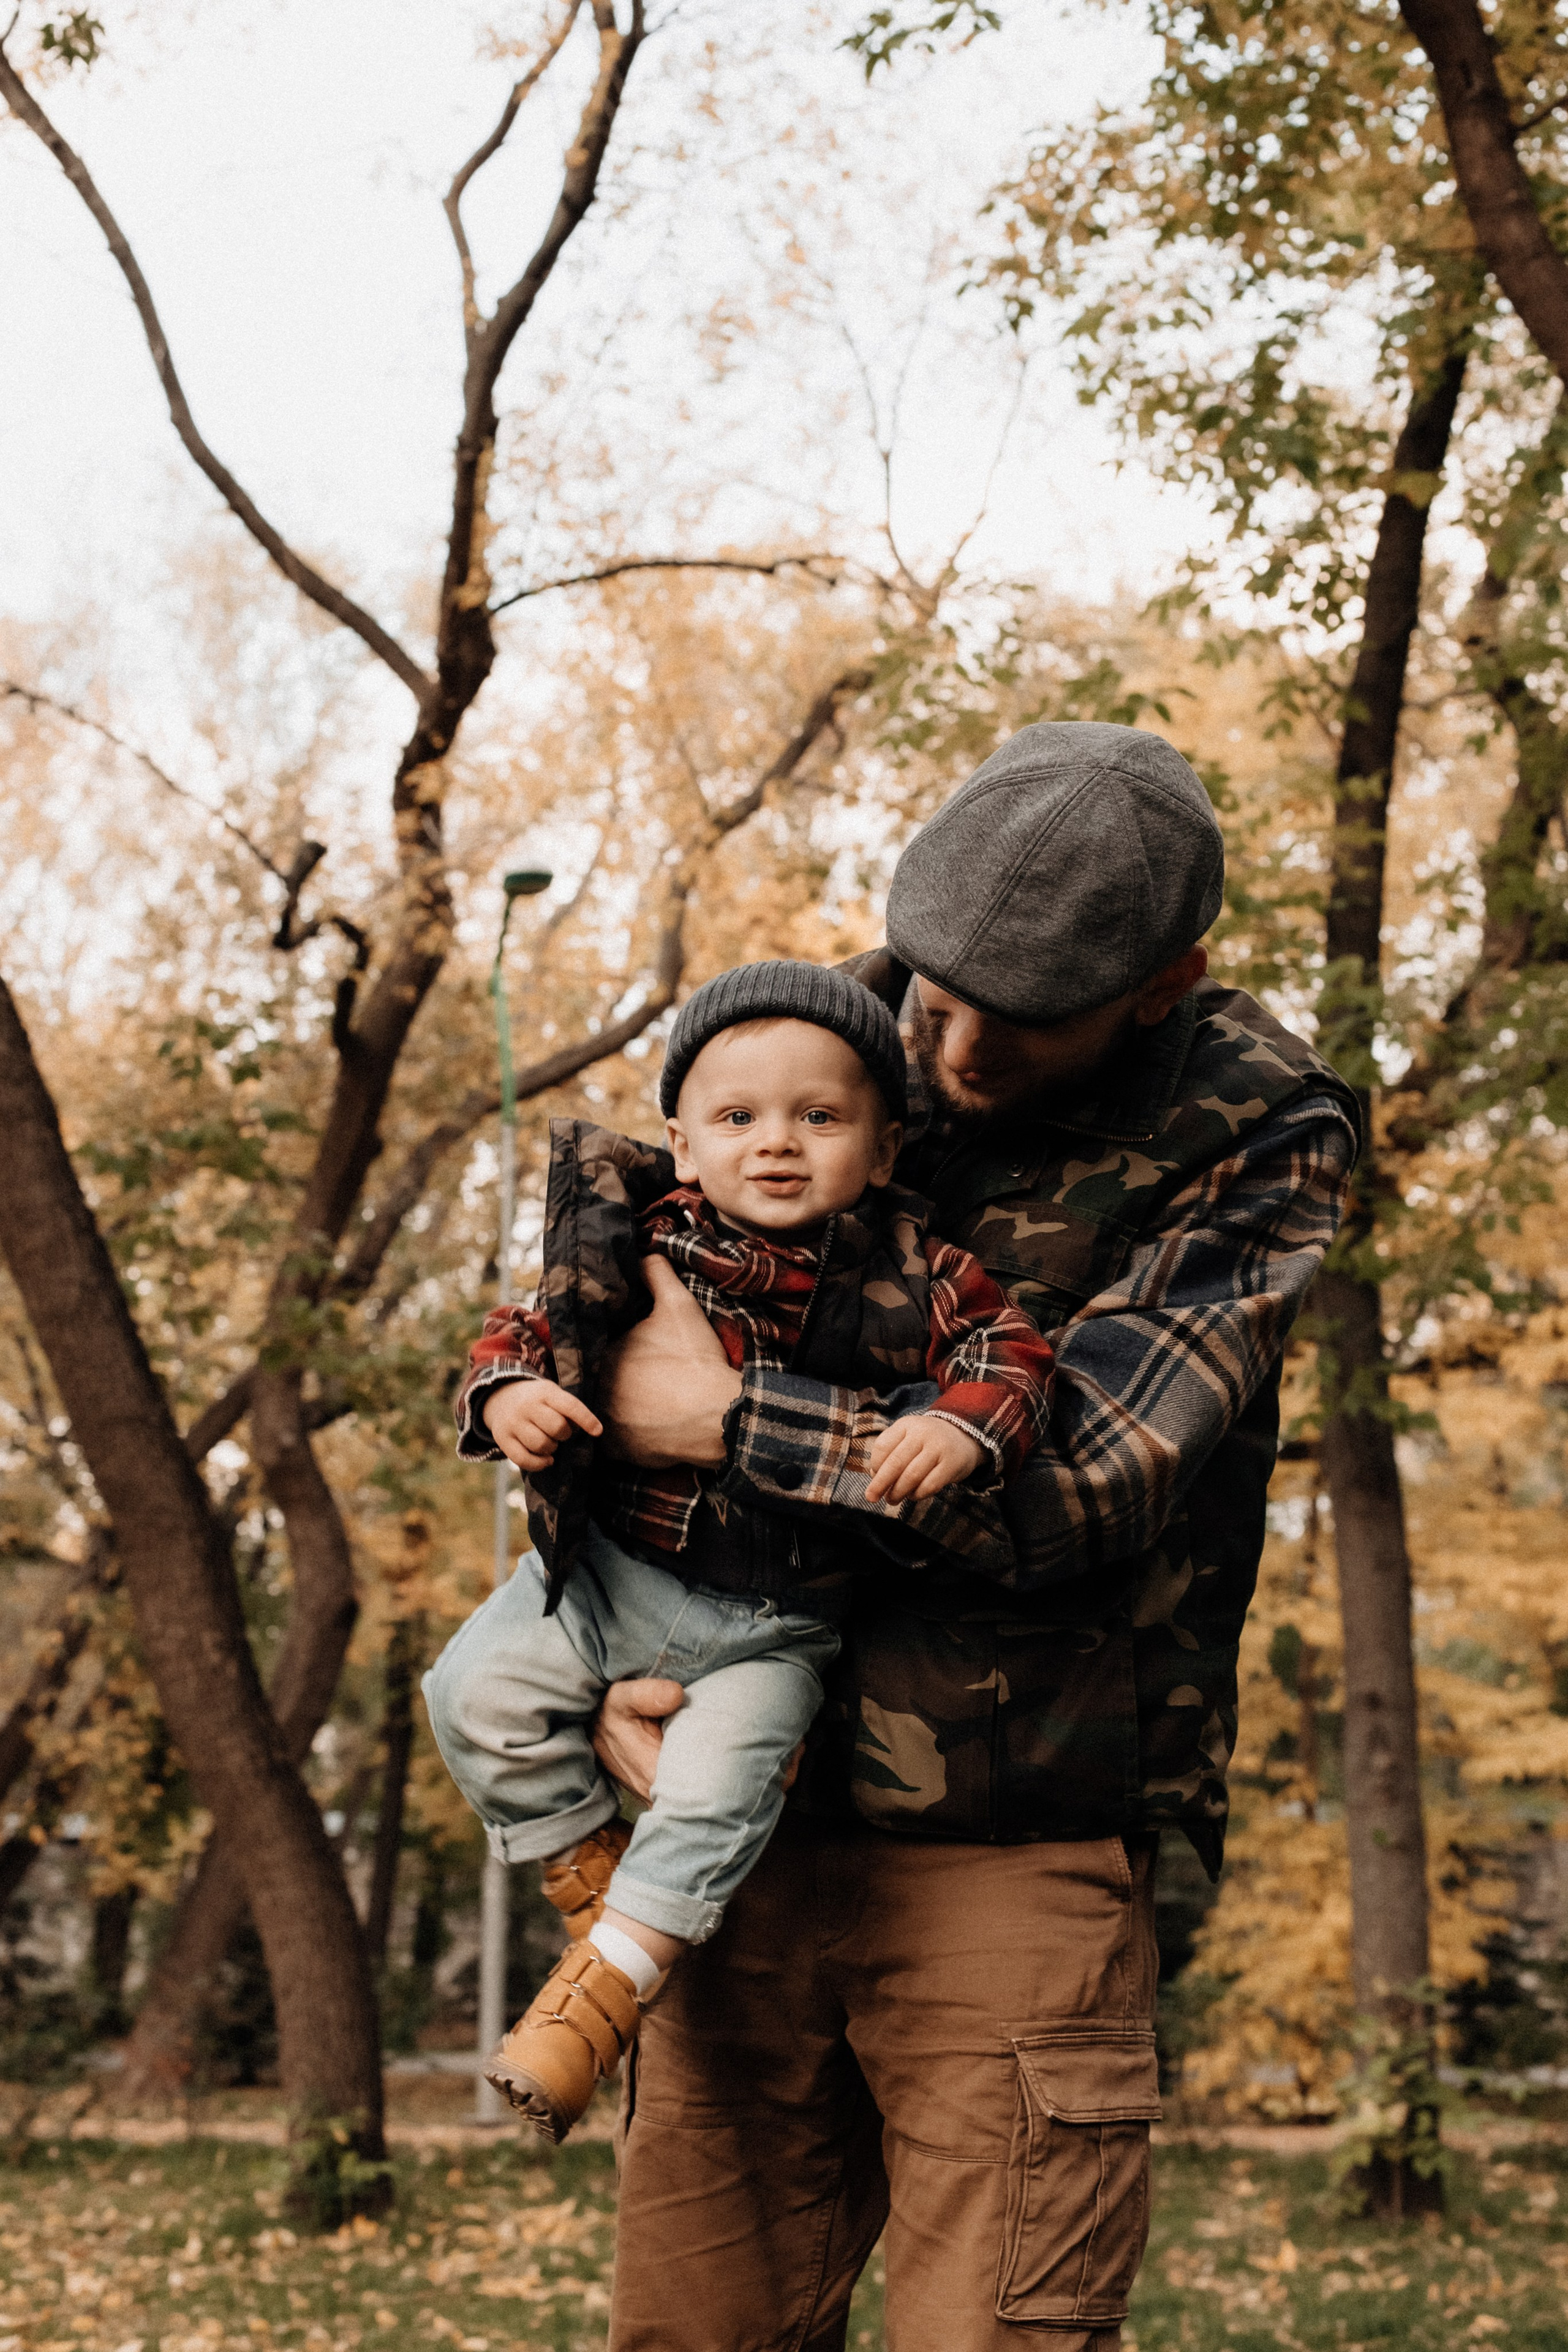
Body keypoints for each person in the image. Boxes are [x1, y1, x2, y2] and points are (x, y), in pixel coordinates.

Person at [585, 723, 1362, 2352]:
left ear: (1166, 981)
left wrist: (729, 1424)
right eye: (934, 990)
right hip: (744, 1820)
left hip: (1018, 1841)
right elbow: (602, 1354)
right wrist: (611, 1660)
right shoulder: (811, 1036)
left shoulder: (1259, 1124)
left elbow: (1076, 1484)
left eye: (1026, 1021)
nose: (950, 1047)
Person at [424, 960, 1057, 2144]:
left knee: (716, 1792)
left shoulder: (919, 1266)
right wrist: (507, 1395)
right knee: (472, 1691)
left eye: (819, 1118)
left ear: (881, 1148)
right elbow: (524, 1329)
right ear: (680, 1140)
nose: (776, 1143)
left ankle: (597, 2004)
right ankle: (596, 1895)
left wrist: (957, 1428)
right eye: (737, 1118)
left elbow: (1012, 1360)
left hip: (774, 1625)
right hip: (609, 1576)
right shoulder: (633, 1236)